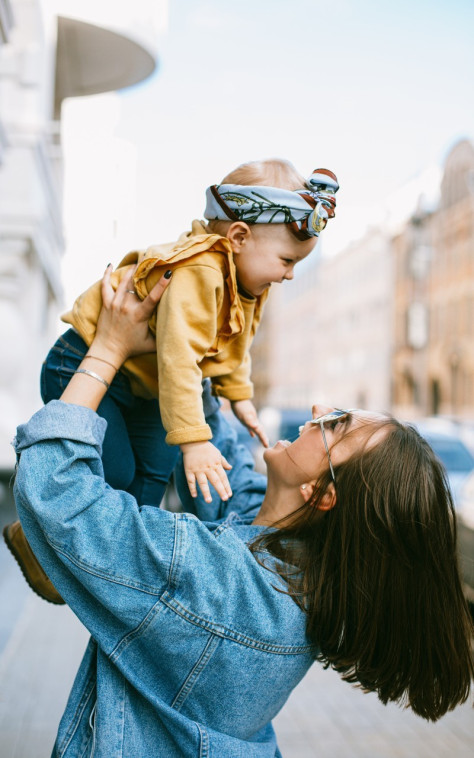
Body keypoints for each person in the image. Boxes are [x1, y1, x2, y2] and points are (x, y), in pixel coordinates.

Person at [11, 268, 473, 756]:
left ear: (320, 493)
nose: (318, 408)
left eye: (335, 424)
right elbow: (224, 465)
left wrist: (107, 349)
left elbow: (57, 491)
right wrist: (188, 337)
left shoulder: (221, 582)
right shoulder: (293, 558)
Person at [4, 158, 339, 604]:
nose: (290, 273)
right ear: (238, 238)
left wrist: (239, 396)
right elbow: (181, 358)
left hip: (146, 390)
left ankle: (105, 576)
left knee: (148, 487)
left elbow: (233, 343)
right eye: (287, 260)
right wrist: (195, 441)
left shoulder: (246, 282)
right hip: (86, 361)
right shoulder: (199, 270)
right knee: (117, 471)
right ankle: (38, 536)